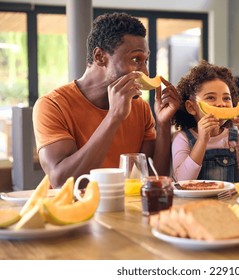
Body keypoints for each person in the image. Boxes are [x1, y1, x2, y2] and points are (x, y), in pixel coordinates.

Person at [32, 13, 180, 188]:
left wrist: (163, 125)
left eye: (145, 61)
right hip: (76, 211)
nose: (146, 73)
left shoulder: (139, 107)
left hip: (123, 211)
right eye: (135, 59)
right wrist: (113, 117)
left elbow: (153, 179)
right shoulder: (52, 105)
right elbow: (62, 181)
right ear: (100, 57)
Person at [171, 61, 239, 182]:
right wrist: (202, 140)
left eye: (226, 98)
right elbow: (182, 180)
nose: (221, 104)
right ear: (191, 107)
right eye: (210, 97)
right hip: (194, 201)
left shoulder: (234, 138)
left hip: (228, 200)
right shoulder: (182, 138)